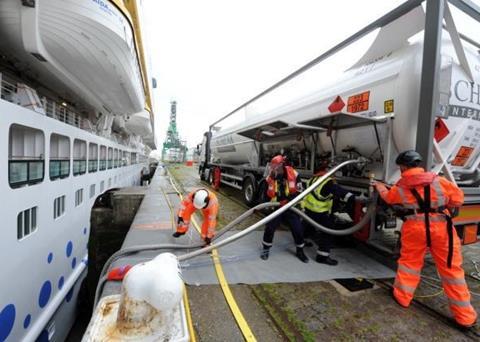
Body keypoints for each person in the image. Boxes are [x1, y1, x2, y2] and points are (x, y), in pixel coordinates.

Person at [374, 150, 477, 328]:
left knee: (409, 264)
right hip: (442, 228)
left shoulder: (401, 187)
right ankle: (465, 317)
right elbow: (458, 199)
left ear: (404, 167)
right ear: (419, 165)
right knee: (452, 271)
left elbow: (388, 198)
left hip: (415, 228)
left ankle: (403, 298)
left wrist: (379, 186)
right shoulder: (439, 180)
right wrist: (446, 205)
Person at [302, 159, 356, 265]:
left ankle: (301, 241)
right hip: (321, 212)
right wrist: (353, 198)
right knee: (327, 232)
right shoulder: (328, 182)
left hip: (309, 210)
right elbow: (343, 194)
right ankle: (322, 257)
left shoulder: (312, 179)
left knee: (307, 226)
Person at [261, 155, 308, 263]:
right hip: (276, 207)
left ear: (282, 165)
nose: (273, 168)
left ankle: (300, 251)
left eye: (275, 166)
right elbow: (265, 194)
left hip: (291, 207)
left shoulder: (294, 174)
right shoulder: (270, 177)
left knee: (298, 229)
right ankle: (265, 250)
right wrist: (265, 207)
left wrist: (288, 201)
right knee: (269, 228)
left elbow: (300, 192)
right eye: (272, 166)